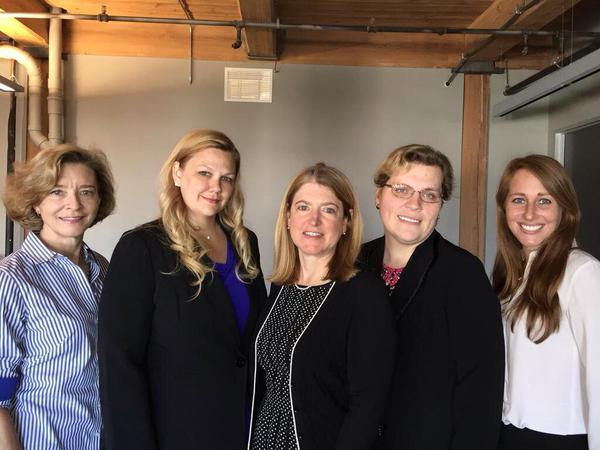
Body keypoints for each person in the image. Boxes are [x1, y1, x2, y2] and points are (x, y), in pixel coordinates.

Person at [98, 129, 267, 449]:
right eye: (204, 173)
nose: (216, 187)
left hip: (241, 426)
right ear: (177, 173)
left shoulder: (245, 244)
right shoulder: (143, 248)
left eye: (226, 178)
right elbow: (118, 363)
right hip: (175, 432)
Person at [358, 144, 504, 450]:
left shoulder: (463, 274)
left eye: (429, 194)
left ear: (439, 204)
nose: (415, 204)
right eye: (401, 189)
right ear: (378, 195)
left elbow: (481, 392)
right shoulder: (355, 264)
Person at [248, 162, 396, 450]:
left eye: (328, 210)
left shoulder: (364, 293)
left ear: (345, 222)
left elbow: (368, 404)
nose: (313, 221)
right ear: (288, 216)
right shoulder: (281, 286)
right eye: (303, 207)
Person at [0, 144, 115, 450]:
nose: (73, 204)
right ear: (35, 201)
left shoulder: (103, 269)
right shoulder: (12, 278)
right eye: (57, 192)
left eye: (86, 191)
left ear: (99, 199)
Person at [493, 154, 600, 450]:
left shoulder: (582, 272)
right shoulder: (511, 274)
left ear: (564, 209)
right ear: (504, 208)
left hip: (560, 440)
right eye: (518, 200)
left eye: (544, 200)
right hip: (510, 434)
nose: (529, 214)